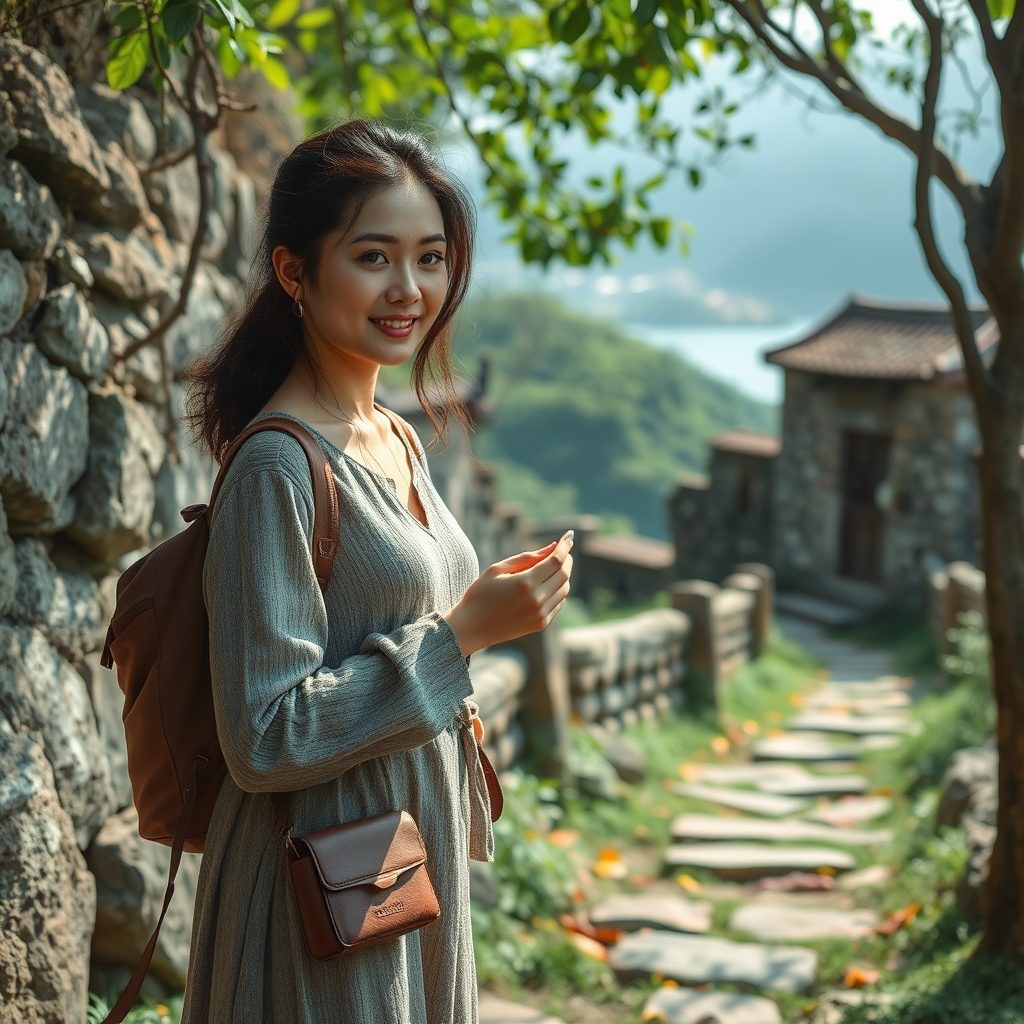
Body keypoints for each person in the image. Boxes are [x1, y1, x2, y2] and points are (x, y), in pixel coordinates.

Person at [178, 119, 574, 1024]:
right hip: (315, 878)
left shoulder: (392, 432)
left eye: (431, 257)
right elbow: (262, 733)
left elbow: (389, 609)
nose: (411, 290)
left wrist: (476, 605)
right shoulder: (278, 467)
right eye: (374, 257)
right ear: (294, 273)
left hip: (401, 860)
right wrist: (466, 633)